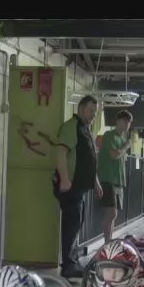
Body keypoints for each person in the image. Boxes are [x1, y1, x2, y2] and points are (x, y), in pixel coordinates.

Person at [54, 96, 103, 276]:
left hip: (80, 186)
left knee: (76, 223)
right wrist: (64, 178)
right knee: (71, 224)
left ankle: (72, 262)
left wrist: (95, 182)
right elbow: (61, 152)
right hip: (71, 185)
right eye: (91, 111)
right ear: (81, 108)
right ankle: (68, 266)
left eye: (95, 112)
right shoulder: (71, 127)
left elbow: (89, 158)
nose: (93, 115)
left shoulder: (85, 129)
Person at [97, 110, 135, 243]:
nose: (127, 124)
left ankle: (109, 241)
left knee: (114, 215)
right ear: (118, 121)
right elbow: (114, 155)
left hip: (119, 181)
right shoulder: (109, 135)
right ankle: (107, 243)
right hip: (108, 178)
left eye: (129, 122)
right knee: (111, 213)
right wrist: (126, 146)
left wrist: (125, 145)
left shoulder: (123, 138)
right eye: (125, 121)